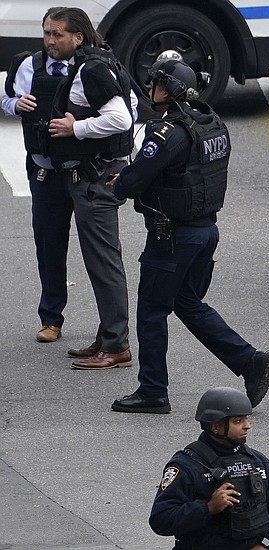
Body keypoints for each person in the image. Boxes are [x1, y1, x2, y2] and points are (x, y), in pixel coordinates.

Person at [107, 58, 269, 413]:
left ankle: (153, 391)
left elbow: (136, 179)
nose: (150, 91)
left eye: (155, 85)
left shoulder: (169, 133)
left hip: (174, 238)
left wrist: (118, 183)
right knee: (187, 303)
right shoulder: (209, 122)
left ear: (167, 89)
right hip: (205, 232)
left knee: (152, 310)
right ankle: (249, 361)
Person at [2, 7, 135, 358]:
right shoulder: (30, 64)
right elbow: (6, 97)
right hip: (47, 170)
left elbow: (126, 113)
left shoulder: (94, 67)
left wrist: (76, 127)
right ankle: (64, 322)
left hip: (89, 175)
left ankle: (114, 341)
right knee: (50, 247)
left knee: (102, 260)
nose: (48, 40)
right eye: (46, 32)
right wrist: (16, 104)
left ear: (77, 37)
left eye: (56, 34)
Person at [150, 387, 269, 549]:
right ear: (216, 427)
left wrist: (265, 544)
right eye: (238, 421)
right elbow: (160, 519)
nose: (247, 426)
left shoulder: (258, 462)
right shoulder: (186, 466)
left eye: (246, 419)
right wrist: (208, 508)